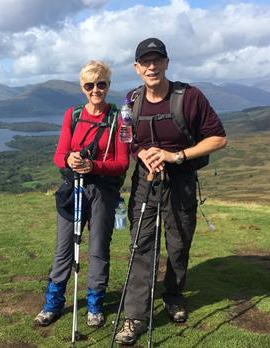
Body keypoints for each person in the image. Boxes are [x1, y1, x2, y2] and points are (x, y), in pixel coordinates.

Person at [114, 38, 228, 345]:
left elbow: (218, 138)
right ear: (137, 68)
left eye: (157, 60)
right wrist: (143, 154)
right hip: (145, 181)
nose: (152, 67)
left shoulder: (189, 97)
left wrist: (175, 156)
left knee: (178, 243)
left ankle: (174, 296)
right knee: (141, 245)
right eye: (145, 62)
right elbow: (127, 136)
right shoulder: (131, 99)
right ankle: (136, 316)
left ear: (166, 63)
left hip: (181, 180)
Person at [34, 60, 130, 328]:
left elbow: (123, 163)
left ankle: (95, 305)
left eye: (101, 84)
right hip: (73, 188)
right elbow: (58, 156)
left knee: (98, 248)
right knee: (64, 249)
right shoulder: (73, 115)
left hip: (103, 191)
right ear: (82, 87)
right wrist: (71, 160)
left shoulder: (118, 118)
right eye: (90, 85)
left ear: (108, 86)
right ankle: (53, 303)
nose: (96, 90)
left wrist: (94, 165)